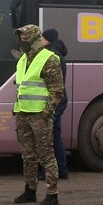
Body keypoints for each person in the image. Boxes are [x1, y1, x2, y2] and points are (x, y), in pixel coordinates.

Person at [12, 25, 63, 205]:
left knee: (46, 155)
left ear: (34, 38)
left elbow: (57, 91)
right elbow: (21, 87)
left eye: (26, 38)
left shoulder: (49, 59)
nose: (22, 41)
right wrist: (16, 109)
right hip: (23, 113)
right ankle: (30, 190)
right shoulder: (23, 59)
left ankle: (52, 193)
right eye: (21, 38)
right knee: (28, 156)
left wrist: (47, 112)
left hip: (40, 115)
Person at [39, 28, 69, 179]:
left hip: (54, 101)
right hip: (60, 100)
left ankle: (46, 172)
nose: (40, 41)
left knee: (47, 136)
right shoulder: (58, 55)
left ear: (48, 40)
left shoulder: (51, 56)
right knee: (55, 135)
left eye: (42, 38)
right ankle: (62, 169)